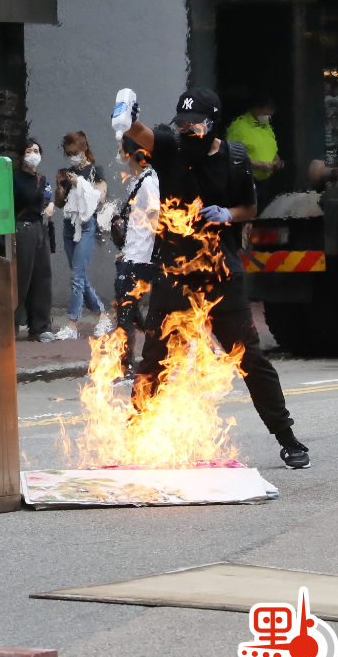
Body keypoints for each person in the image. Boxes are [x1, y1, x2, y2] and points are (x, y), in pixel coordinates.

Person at [118, 88, 310, 469]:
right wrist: (126, 116)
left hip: (221, 275)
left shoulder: (235, 158)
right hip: (175, 273)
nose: (187, 130)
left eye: (194, 124)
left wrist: (228, 213)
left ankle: (287, 439)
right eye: (182, 123)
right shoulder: (170, 146)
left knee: (250, 358)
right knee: (155, 359)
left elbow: (249, 208)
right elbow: (140, 134)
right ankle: (133, 438)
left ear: (211, 123)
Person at [52, 131, 109, 340]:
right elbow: (60, 204)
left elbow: (100, 198)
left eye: (75, 152)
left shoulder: (95, 171)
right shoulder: (68, 173)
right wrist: (60, 186)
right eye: (68, 154)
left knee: (77, 277)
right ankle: (102, 315)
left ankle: (72, 323)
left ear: (84, 149)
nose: (72, 157)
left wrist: (79, 183)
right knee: (80, 275)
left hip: (86, 225)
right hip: (69, 226)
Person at [111, 135, 159, 377]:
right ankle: (170, 340)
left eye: (121, 148)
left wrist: (149, 256)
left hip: (141, 259)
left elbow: (155, 222)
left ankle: (125, 366)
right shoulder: (138, 181)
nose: (118, 153)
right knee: (132, 311)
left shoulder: (148, 183)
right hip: (132, 256)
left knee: (125, 311)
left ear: (130, 153)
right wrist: (125, 251)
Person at [13, 140, 54, 342]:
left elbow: (47, 198)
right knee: (21, 277)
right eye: (28, 150)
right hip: (22, 230)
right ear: (22, 155)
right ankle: (12, 325)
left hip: (39, 229)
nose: (33, 154)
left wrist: (50, 205)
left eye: (36, 150)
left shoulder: (42, 179)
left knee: (42, 276)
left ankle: (39, 326)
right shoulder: (14, 179)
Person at [225, 93, 283, 209]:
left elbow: (272, 149)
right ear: (257, 109)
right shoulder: (238, 127)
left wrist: (277, 161)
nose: (268, 118)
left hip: (265, 183)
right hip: (246, 182)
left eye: (270, 116)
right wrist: (258, 165)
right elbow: (230, 157)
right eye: (266, 114)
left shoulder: (266, 127)